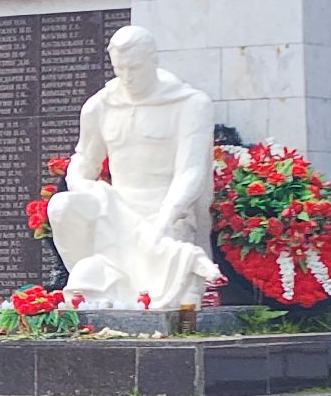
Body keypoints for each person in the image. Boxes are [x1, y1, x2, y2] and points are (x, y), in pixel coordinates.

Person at [46, 25, 222, 308]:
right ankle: (96, 282)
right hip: (112, 208)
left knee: (167, 285)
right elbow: (83, 161)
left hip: (165, 208)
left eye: (135, 68)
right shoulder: (100, 106)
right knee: (61, 206)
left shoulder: (190, 104)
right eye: (120, 69)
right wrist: (88, 187)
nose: (127, 77)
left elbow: (191, 172)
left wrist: (165, 219)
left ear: (153, 60)